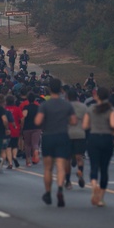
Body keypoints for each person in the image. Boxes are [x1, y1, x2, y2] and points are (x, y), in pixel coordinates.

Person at [35, 77, 76, 206]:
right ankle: (59, 188)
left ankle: (48, 192)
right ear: (61, 90)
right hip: (63, 136)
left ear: (50, 88)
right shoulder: (67, 105)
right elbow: (74, 121)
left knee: (48, 168)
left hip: (48, 136)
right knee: (60, 166)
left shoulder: (44, 105)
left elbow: (37, 121)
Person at [83, 87, 114, 206]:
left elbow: (85, 125)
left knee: (94, 165)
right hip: (106, 139)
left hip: (93, 138)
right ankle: (101, 198)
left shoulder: (91, 109)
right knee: (104, 168)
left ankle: (94, 185)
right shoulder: (111, 109)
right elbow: (113, 124)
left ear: (97, 96)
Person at [66, 88, 88, 188]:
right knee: (80, 157)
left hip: (68, 135)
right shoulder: (83, 107)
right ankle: (80, 172)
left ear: (67, 97)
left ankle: (68, 181)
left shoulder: (65, 107)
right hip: (80, 134)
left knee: (67, 159)